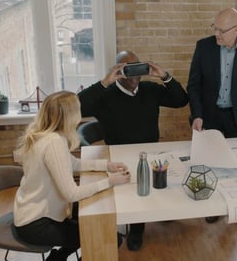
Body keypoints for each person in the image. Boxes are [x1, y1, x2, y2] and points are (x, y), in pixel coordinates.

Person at [13, 91, 131, 261]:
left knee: (91, 222)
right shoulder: (54, 143)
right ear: (69, 115)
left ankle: (57, 259)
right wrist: (109, 182)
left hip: (29, 215)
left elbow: (72, 163)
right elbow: (71, 194)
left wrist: (105, 166)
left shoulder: (45, 136)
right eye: (77, 109)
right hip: (37, 224)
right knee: (108, 236)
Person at [78, 50, 188, 250]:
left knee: (163, 181)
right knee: (135, 191)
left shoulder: (150, 89)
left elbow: (181, 100)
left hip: (150, 152)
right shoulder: (105, 95)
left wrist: (164, 76)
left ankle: (157, 214)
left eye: (138, 69)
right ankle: (136, 230)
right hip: (119, 156)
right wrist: (104, 82)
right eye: (127, 70)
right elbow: (77, 107)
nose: (134, 76)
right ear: (118, 71)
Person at [186, 7, 237, 234]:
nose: (217, 35)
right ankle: (213, 207)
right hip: (210, 116)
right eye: (215, 28)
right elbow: (193, 85)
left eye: (222, 30)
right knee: (211, 164)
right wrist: (198, 114)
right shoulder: (204, 47)